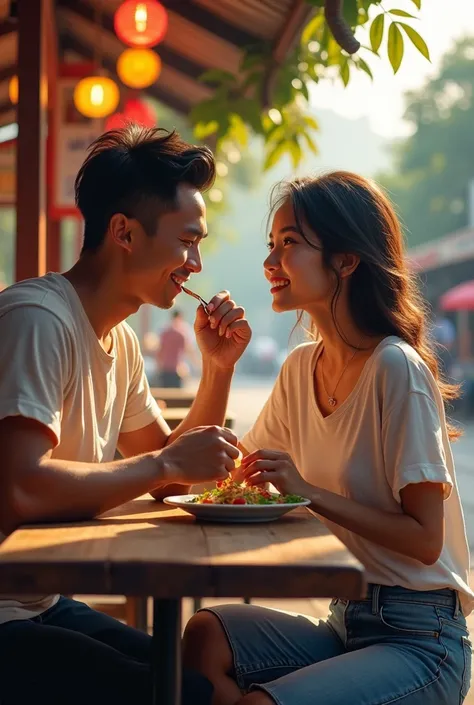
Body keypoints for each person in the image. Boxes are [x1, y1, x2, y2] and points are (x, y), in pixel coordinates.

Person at [182, 172, 474, 705]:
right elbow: (222, 473)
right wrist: (218, 368)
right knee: (205, 637)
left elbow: (425, 538)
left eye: (289, 244)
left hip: (422, 640)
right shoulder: (299, 368)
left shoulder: (395, 368)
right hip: (347, 621)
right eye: (271, 245)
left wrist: (306, 491)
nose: (271, 263)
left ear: (346, 259)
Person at [0, 125, 251, 705]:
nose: (195, 262)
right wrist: (164, 463)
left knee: (205, 681)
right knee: (189, 694)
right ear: (124, 233)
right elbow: (20, 488)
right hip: (5, 613)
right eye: (187, 241)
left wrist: (217, 370)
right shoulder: (38, 319)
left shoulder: (123, 341)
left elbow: (174, 481)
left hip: (40, 600)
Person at [157, 309, 198, 387]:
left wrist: (159, 367)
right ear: (180, 317)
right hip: (177, 370)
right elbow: (189, 350)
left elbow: (159, 352)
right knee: (177, 396)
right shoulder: (183, 334)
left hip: (165, 369)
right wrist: (197, 364)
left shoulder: (164, 333)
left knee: (165, 395)